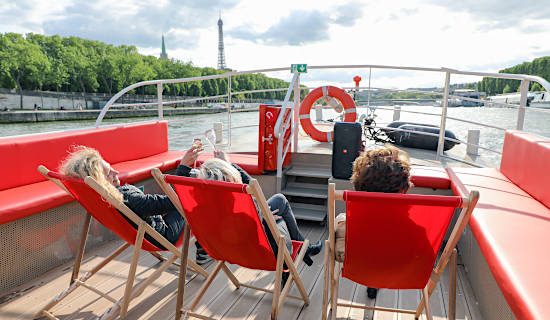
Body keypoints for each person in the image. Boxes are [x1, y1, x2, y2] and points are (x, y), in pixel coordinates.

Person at [60, 145, 213, 265]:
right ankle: (203, 250)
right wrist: (184, 168)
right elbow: (170, 202)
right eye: (108, 173)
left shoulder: (100, 197)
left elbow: (155, 205)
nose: (115, 171)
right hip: (165, 235)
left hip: (143, 232)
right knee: (195, 202)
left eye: (111, 166)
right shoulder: (126, 198)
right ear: (100, 182)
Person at [189, 152, 323, 286]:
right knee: (280, 205)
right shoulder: (247, 206)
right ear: (230, 179)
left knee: (277, 202)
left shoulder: (201, 210)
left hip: (228, 253)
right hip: (272, 256)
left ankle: (304, 249)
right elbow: (253, 185)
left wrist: (263, 217)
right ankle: (292, 263)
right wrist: (267, 219)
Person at [335, 144, 412, 299]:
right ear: (403, 188)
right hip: (401, 266)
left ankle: (371, 279)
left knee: (343, 226)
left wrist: (340, 221)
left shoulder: (351, 223)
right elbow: (424, 253)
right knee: (382, 248)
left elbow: (338, 251)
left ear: (360, 185)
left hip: (359, 261)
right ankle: (374, 282)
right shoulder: (413, 228)